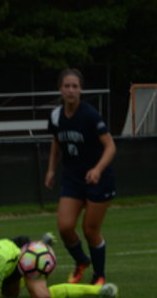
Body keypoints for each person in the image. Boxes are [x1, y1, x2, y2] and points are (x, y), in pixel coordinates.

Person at [44, 68, 116, 285]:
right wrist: (51, 169)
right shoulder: (56, 116)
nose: (71, 90)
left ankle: (99, 276)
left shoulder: (90, 115)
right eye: (67, 86)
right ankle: (81, 261)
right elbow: (56, 142)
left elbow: (110, 146)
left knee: (90, 230)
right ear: (60, 89)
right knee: (65, 227)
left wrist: (97, 169)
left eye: (75, 86)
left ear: (81, 90)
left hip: (98, 179)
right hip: (73, 178)